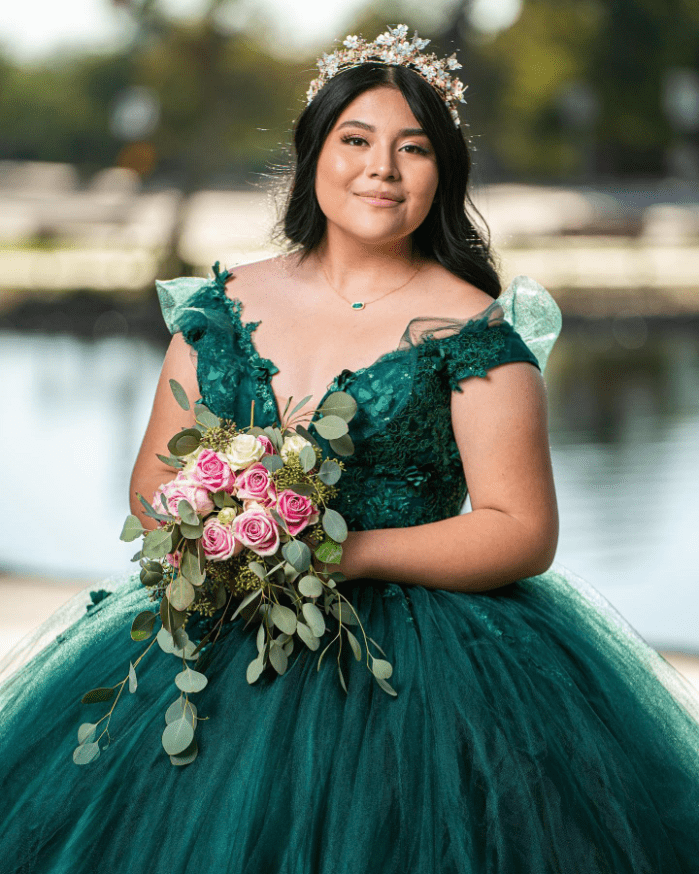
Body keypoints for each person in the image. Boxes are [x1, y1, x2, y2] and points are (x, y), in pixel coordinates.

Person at [1, 23, 699, 874]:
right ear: (312, 152)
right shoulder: (222, 307)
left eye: (414, 149)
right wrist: (215, 529)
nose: (383, 168)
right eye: (356, 139)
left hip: (427, 667)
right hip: (218, 628)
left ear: (443, 173)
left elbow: (521, 529)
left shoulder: (470, 330)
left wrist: (338, 552)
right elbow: (153, 483)